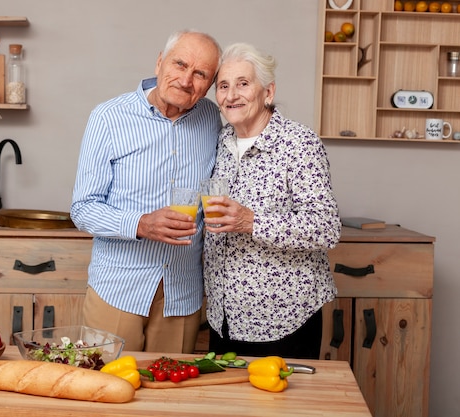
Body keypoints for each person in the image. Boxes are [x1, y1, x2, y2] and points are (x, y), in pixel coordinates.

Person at [70, 30, 222, 353]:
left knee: (170, 397)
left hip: (182, 294)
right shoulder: (108, 118)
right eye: (179, 64)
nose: (186, 80)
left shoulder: (212, 120)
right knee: (105, 388)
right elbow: (82, 208)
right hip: (117, 289)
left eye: (200, 74)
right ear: (159, 62)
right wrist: (140, 224)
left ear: (210, 85)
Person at [202, 42, 341, 359]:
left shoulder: (298, 143)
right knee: (227, 407)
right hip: (223, 316)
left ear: (268, 92)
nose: (231, 95)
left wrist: (250, 222)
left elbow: (326, 228)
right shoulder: (221, 141)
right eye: (223, 86)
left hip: (283, 319)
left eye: (243, 83)